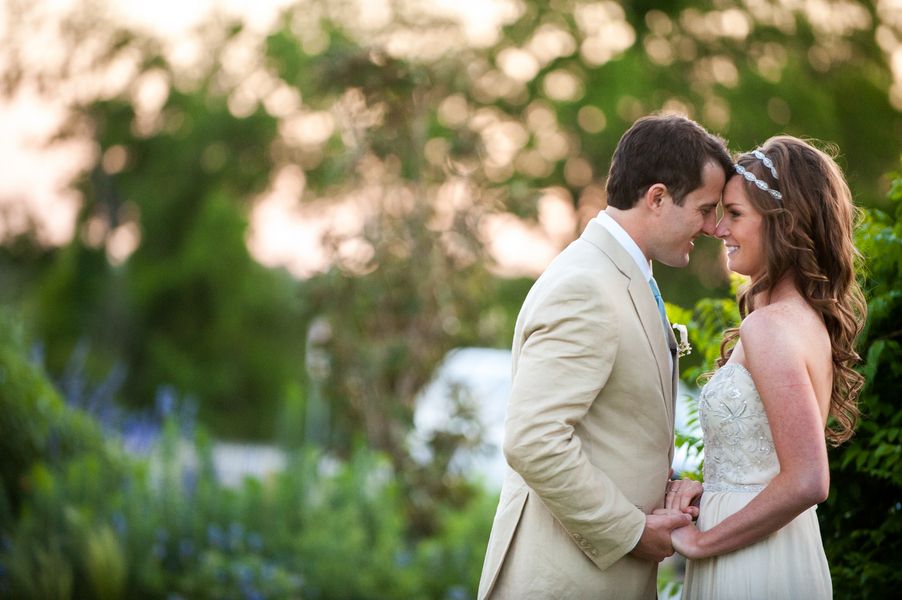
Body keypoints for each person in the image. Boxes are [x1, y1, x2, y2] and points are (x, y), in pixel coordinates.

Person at [477, 114, 733, 599]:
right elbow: (534, 439)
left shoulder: (625, 276)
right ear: (656, 198)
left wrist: (671, 483)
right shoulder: (586, 285)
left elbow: (613, 428)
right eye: (703, 209)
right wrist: (632, 532)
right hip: (565, 580)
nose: (712, 227)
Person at [662, 136, 867, 599]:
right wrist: (709, 490)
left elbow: (807, 479)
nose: (718, 229)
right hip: (770, 544)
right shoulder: (802, 320)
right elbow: (763, 465)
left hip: (751, 562)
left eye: (734, 214)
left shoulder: (770, 328)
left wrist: (701, 541)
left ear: (784, 223)